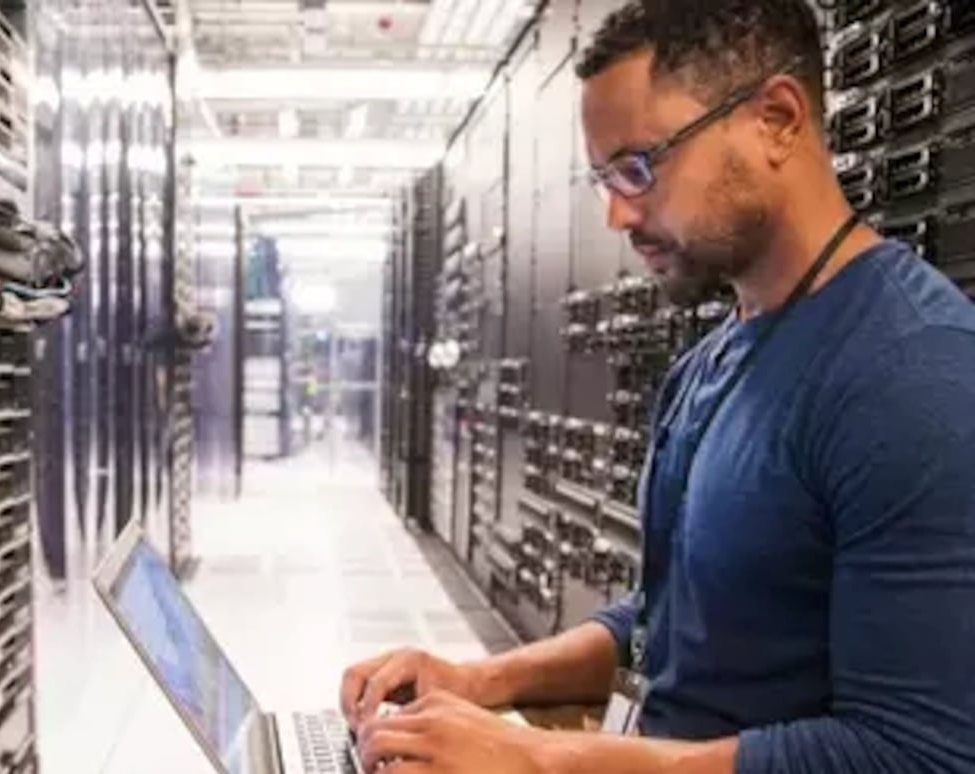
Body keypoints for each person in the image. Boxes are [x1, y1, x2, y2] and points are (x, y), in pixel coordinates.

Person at [339, 1, 975, 772]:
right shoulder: (706, 367)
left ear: (776, 119)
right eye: (603, 177)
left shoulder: (914, 375)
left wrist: (540, 761)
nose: (616, 213)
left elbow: (914, 755)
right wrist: (477, 680)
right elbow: (663, 624)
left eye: (639, 166)